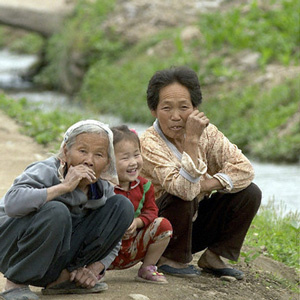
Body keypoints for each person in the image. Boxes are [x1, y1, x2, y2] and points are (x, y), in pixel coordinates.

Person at [140, 66, 262, 279]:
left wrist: (207, 185)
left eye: (184, 107)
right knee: (182, 193)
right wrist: (192, 141)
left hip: (191, 225)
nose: (176, 116)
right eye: (166, 108)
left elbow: (245, 169)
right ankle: (169, 258)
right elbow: (185, 191)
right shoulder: (148, 143)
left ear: (195, 108)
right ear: (153, 110)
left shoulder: (208, 132)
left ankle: (214, 256)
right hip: (158, 230)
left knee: (249, 192)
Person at [0, 120, 134, 300]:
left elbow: (113, 235)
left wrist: (95, 268)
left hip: (52, 258)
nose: (89, 161)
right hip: (10, 247)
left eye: (99, 155)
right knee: (56, 210)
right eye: (82, 151)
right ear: (65, 152)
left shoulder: (102, 188)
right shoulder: (46, 170)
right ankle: (15, 283)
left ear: (108, 162)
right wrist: (63, 187)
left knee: (122, 207)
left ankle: (63, 279)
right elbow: (12, 204)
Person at [109, 125, 173, 284]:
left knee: (163, 225)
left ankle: (147, 268)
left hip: (131, 250)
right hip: (106, 252)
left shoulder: (144, 186)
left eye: (136, 155)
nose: (133, 162)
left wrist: (137, 222)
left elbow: (152, 211)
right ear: (108, 161)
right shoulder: (104, 188)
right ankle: (93, 270)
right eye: (125, 158)